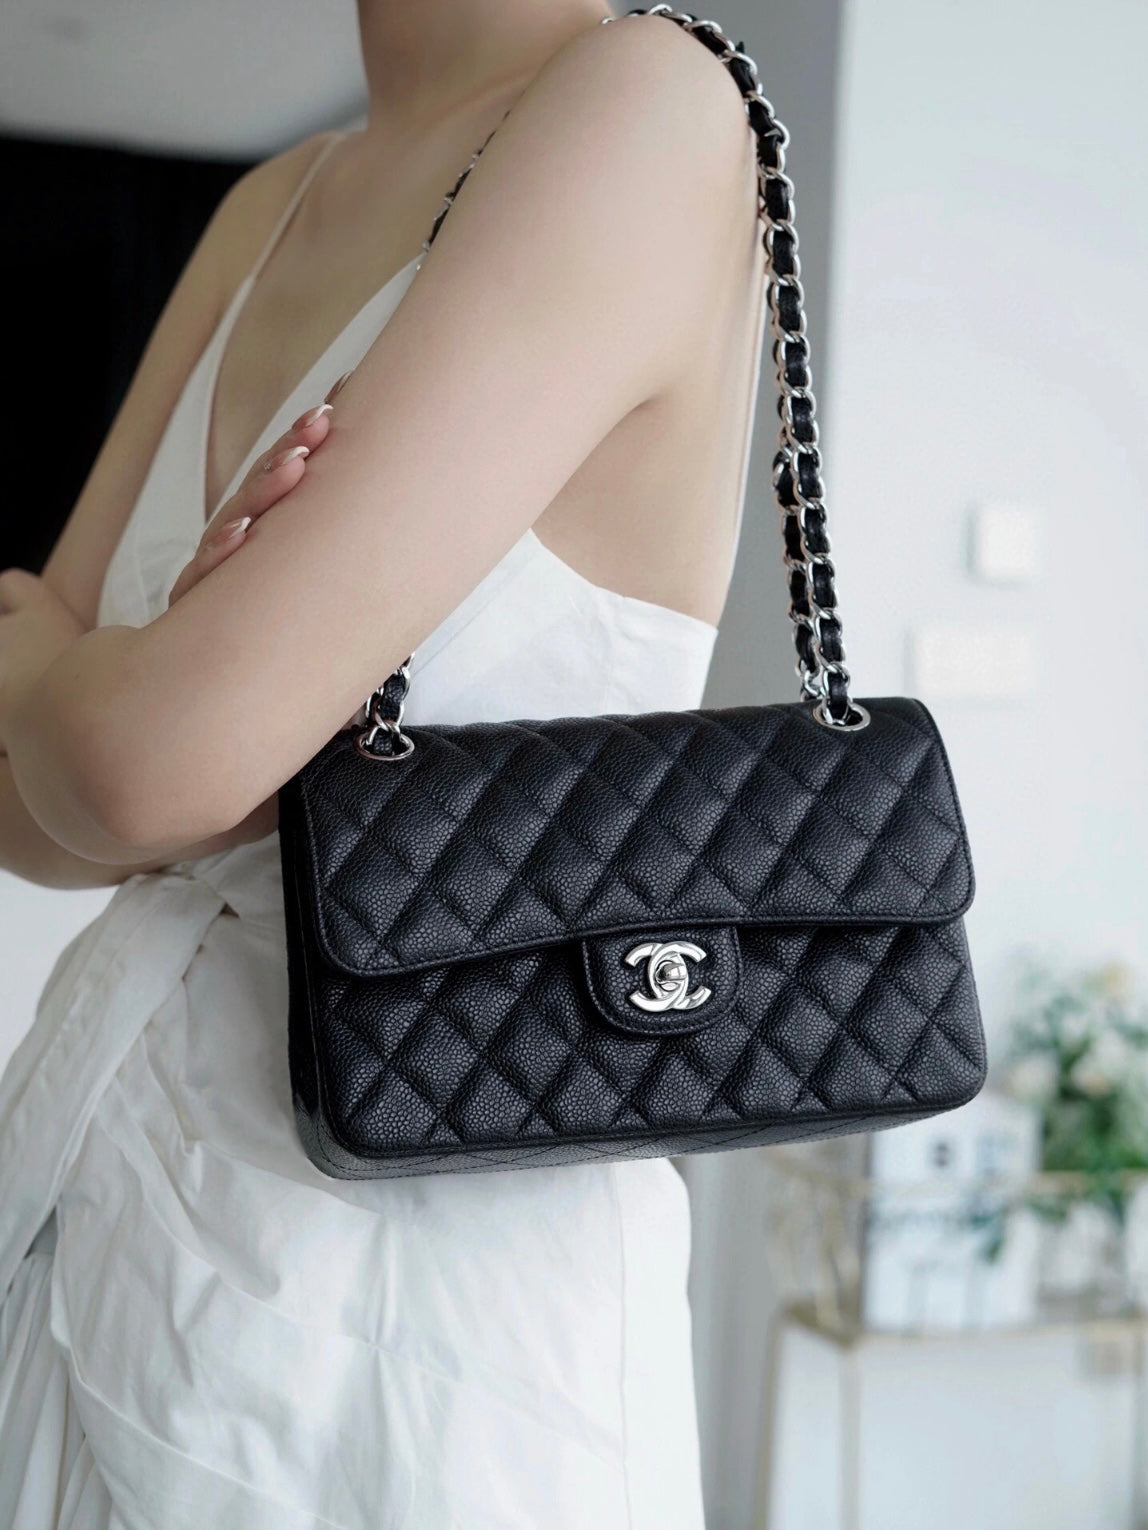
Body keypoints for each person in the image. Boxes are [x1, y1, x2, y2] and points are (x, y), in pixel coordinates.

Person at [0, 0, 769, 1522]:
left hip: (406, 1321)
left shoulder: (647, 104)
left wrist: (48, 673)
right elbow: (41, 819)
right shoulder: (272, 200)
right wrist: (115, 714)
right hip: (104, 1208)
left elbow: (140, 773)